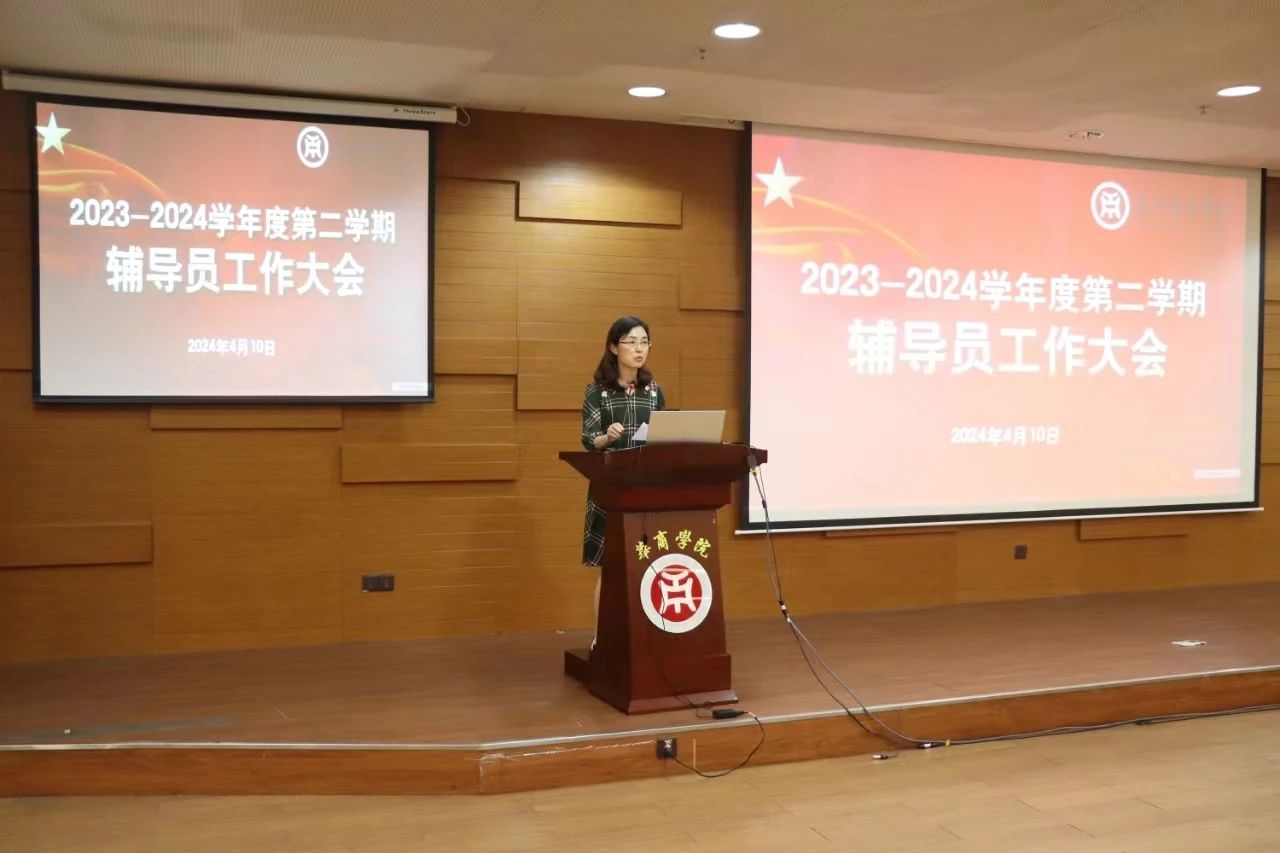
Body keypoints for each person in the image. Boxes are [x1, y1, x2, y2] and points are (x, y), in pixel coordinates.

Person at [580, 315, 665, 646]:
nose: (639, 349)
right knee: (611, 567)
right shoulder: (597, 392)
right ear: (614, 347)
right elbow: (589, 439)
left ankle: (643, 639)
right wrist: (607, 437)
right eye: (631, 342)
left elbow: (662, 436)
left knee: (647, 563)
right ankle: (602, 639)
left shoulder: (654, 392)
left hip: (646, 488)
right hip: (611, 490)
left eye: (644, 342)